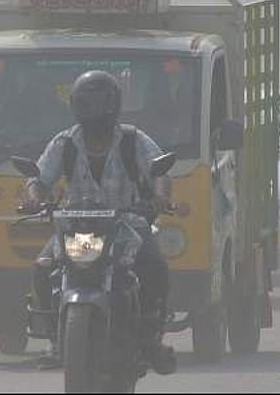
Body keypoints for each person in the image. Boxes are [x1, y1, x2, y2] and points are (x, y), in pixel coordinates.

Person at [21, 70, 176, 374]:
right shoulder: (65, 142)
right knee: (42, 267)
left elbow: (159, 172)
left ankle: (150, 335)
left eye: (100, 103)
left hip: (128, 225)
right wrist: (35, 196)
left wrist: (159, 198)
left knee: (155, 266)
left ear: (114, 105)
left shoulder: (133, 139)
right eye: (86, 103)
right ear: (76, 106)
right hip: (76, 227)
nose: (93, 111)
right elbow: (37, 178)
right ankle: (54, 337)